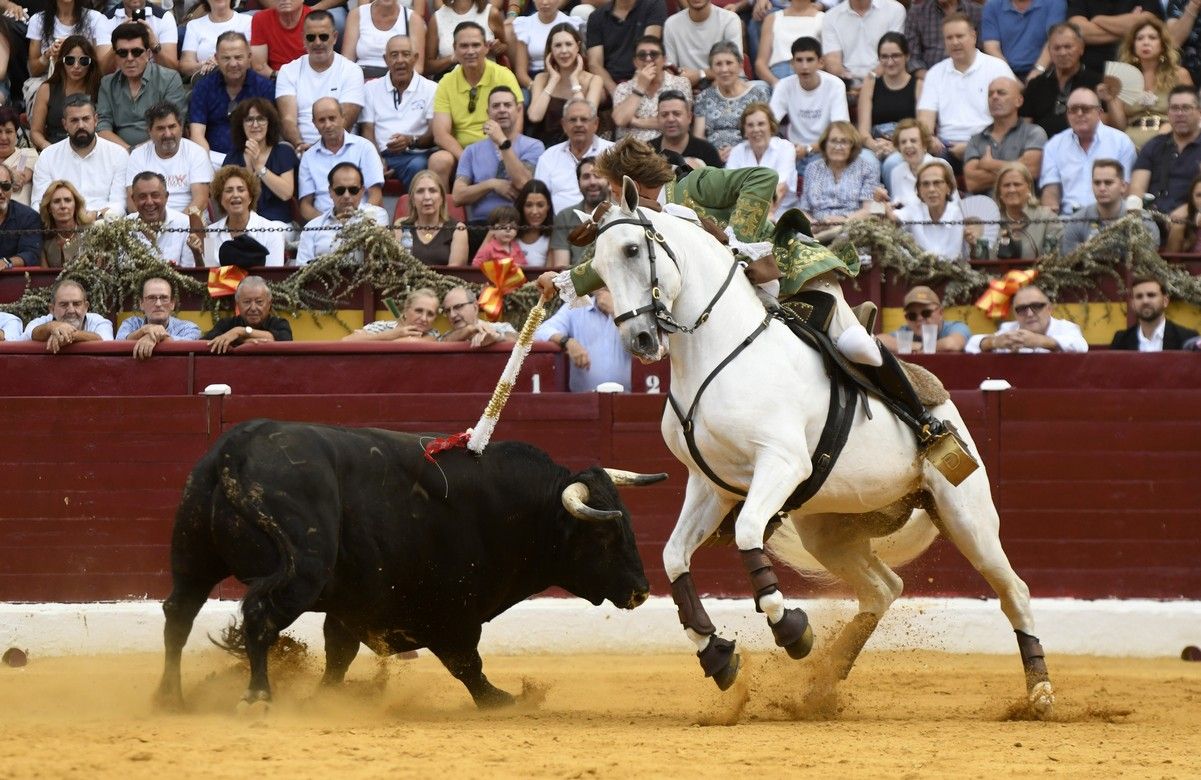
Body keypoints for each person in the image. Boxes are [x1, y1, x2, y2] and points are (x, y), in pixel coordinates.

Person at [428, 22, 523, 189]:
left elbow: (516, 125)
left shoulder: (504, 76)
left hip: (498, 147)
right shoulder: (446, 82)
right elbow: (441, 134)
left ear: (486, 47)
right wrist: (468, 157)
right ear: (455, 49)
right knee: (438, 160)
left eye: (476, 45)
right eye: (464, 46)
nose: (470, 51)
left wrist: (500, 151)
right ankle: (443, 213)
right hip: (461, 151)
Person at [917, 14, 1017, 166]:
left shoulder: (997, 67)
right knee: (924, 165)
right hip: (946, 146)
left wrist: (973, 146)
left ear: (973, 36)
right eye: (949, 38)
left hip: (989, 143)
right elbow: (925, 120)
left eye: (959, 36)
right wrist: (929, 138)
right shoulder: (935, 73)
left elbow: (1011, 115)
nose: (955, 42)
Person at [452, 85, 544, 224]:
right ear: (488, 112)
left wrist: (502, 142)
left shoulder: (533, 146)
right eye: (496, 106)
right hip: (481, 225)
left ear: (518, 110)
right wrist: (491, 184)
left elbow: (523, 183)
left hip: (519, 224)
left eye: (507, 105)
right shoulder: (471, 151)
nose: (502, 110)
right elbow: (458, 196)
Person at [276, 11, 366, 150]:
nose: (317, 42)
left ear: (335, 37)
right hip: (300, 148)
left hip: (342, 148)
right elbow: (288, 120)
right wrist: (299, 144)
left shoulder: (352, 70)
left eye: (323, 37)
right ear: (304, 39)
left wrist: (319, 150)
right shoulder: (288, 71)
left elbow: (345, 121)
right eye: (311, 37)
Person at [1040, 87, 1137, 214]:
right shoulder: (1054, 144)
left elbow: (1127, 189)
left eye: (1085, 109)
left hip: (1110, 219)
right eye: (1073, 110)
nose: (1079, 114)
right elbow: (1050, 190)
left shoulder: (1121, 142)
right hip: (1068, 220)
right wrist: (1052, 221)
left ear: (1099, 112)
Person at [32, 95, 128, 221]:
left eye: (86, 119)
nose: (81, 125)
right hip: (61, 226)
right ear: (64, 124)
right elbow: (39, 204)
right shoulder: (48, 156)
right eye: (74, 120)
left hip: (104, 226)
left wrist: (96, 215)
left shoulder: (118, 154)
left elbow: (119, 204)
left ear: (95, 120)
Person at [360, 34, 437, 189]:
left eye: (406, 54)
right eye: (394, 55)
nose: (400, 60)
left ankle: (414, 211)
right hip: (382, 154)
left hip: (416, 154)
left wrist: (411, 140)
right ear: (385, 59)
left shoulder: (431, 88)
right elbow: (367, 131)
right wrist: (375, 160)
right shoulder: (370, 88)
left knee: (418, 165)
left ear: (415, 58)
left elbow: (433, 133)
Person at [187, 32, 275, 165]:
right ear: (216, 58)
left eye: (238, 57)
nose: (233, 64)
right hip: (212, 159)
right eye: (226, 58)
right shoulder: (204, 87)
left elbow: (270, 132)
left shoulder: (264, 87)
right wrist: (205, 165)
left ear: (249, 56)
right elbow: (197, 134)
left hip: (255, 158)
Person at [97, 22, 187, 151]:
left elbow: (175, 125)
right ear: (115, 56)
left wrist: (140, 153)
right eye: (122, 53)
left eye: (136, 52)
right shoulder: (107, 83)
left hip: (161, 150)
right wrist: (128, 150)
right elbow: (102, 126)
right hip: (119, 152)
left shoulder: (169, 79)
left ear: (149, 53)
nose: (129, 58)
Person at [769, 37, 850, 174]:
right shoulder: (783, 86)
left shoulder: (835, 85)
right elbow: (768, 124)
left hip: (827, 150)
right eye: (799, 60)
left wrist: (809, 149)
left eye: (810, 60)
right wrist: (786, 149)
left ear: (821, 62)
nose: (804, 66)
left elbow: (841, 131)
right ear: (792, 64)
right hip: (793, 151)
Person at [297, 97, 385, 223]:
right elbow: (305, 206)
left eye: (332, 118)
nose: (327, 125)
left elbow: (376, 195)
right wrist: (330, 223)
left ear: (343, 117)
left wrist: (355, 222)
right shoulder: (308, 157)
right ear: (314, 123)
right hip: (325, 226)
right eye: (322, 120)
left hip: (362, 223)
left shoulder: (365, 148)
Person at [1020, 22, 1110, 138]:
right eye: (1057, 48)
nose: (1062, 53)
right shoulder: (1036, 84)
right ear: (1049, 51)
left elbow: (1108, 123)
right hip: (1042, 149)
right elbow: (1025, 127)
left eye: (1068, 47)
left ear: (1081, 48)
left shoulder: (1097, 82)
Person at [1115, 17, 1193, 150]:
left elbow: (1193, 112)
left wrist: (1172, 127)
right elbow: (1120, 126)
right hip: (1130, 144)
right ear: (1133, 46)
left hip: (1170, 139)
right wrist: (1110, 99)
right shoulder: (1123, 78)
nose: (1145, 42)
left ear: (1162, 45)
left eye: (1152, 38)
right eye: (1140, 38)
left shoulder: (1179, 74)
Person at [534, 287, 631, 392]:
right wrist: (568, 342)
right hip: (584, 401)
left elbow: (645, 344)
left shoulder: (634, 309)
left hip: (629, 400)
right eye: (599, 277)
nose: (603, 283)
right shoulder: (576, 308)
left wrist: (617, 312)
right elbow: (541, 331)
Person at [962, 77, 1047, 195]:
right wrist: (1016, 169)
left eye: (1001, 93)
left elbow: (1031, 171)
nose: (994, 97)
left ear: (1019, 101)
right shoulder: (976, 139)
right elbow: (972, 182)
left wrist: (990, 164)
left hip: (1022, 209)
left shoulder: (1034, 133)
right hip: (984, 209)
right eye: (990, 94)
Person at [191, 165, 288, 268]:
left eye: (241, 190)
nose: (235, 195)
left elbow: (274, 277)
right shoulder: (210, 233)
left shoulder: (272, 231)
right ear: (220, 199)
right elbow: (208, 274)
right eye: (229, 191)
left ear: (250, 197)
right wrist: (197, 255)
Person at [125, 102, 213, 215]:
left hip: (189, 223)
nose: (167, 134)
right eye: (161, 128)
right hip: (148, 224)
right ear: (149, 132)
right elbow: (133, 203)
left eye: (172, 127)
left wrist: (176, 225)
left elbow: (200, 201)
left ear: (181, 127)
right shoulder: (138, 156)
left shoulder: (196, 152)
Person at [525, 23, 604, 148]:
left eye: (568, 44)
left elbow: (585, 118)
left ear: (577, 47)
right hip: (546, 147)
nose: (564, 51)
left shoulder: (594, 80)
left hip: (580, 146)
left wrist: (574, 81)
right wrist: (553, 79)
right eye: (557, 45)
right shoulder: (541, 79)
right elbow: (535, 116)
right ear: (551, 50)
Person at [295, 162, 390, 265]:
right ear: (330, 192)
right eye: (340, 190)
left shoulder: (377, 215)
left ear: (362, 191)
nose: (346, 195)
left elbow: (377, 259)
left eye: (353, 190)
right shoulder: (312, 227)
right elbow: (302, 268)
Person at [223, 98, 299, 227]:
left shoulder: (283, 152)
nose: (255, 125)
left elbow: (286, 193)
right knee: (210, 237)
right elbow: (223, 197)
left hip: (277, 224)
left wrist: (259, 166)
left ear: (270, 123)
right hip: (242, 224)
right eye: (249, 120)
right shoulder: (233, 157)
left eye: (261, 119)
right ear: (241, 125)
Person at [533, 97, 615, 214]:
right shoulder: (548, 157)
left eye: (584, 119)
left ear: (596, 123)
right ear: (563, 124)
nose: (578, 124)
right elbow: (539, 198)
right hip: (561, 227)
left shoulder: (613, 153)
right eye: (573, 120)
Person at [1059, 158, 1160, 252]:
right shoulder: (1077, 221)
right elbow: (1069, 258)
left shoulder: (1142, 220)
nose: (1102, 188)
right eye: (1097, 183)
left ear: (1123, 186)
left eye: (1108, 183)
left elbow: (1149, 257)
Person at [695, 40, 771, 163]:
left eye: (729, 63)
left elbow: (766, 132)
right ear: (712, 69)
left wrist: (737, 153)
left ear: (740, 65)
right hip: (713, 161)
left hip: (750, 158)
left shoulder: (758, 95)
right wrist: (713, 155)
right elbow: (699, 136)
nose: (724, 69)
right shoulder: (704, 97)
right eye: (718, 64)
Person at [1129, 85, 1201, 213]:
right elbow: (1137, 187)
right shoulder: (1153, 145)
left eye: (1186, 108)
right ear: (1168, 113)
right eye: (1174, 108)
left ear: (1199, 112)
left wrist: (1188, 210)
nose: (1179, 114)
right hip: (1152, 218)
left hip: (1192, 219)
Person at [798, 121, 880, 231]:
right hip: (817, 228)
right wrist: (814, 225)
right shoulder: (812, 168)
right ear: (825, 143)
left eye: (844, 142)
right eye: (833, 141)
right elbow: (804, 209)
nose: (838, 146)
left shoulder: (865, 168)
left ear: (853, 145)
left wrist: (843, 221)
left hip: (852, 228)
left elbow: (868, 210)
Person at [857, 32, 922, 165]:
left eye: (895, 56)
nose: (890, 62)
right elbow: (863, 131)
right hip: (875, 146)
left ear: (907, 56)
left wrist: (897, 147)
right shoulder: (870, 84)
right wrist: (875, 146)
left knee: (895, 162)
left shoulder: (919, 86)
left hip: (907, 146)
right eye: (884, 57)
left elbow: (923, 129)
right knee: (864, 161)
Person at [612, 35, 692, 142]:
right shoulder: (623, 88)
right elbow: (620, 120)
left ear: (664, 60)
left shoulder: (680, 83)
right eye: (642, 55)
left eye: (654, 54)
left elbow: (679, 123)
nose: (648, 59)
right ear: (635, 62)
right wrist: (640, 87)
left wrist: (636, 121)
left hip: (667, 148)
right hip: (629, 151)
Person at [966, 283, 1088, 352]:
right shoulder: (1010, 330)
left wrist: (1040, 341)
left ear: (1049, 309)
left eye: (1036, 306)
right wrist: (994, 342)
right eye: (1021, 309)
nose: (1029, 313)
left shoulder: (1065, 327)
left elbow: (1081, 346)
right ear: (1015, 314)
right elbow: (971, 344)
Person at [29, 35, 100, 152]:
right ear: (62, 61)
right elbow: (36, 131)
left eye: (83, 61)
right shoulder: (47, 89)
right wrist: (49, 149)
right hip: (54, 148)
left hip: (92, 149)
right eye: (70, 60)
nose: (76, 66)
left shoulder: (100, 88)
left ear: (91, 63)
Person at [726, 101, 797, 219]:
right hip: (742, 214)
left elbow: (780, 189)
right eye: (750, 125)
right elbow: (730, 189)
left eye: (761, 124)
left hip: (781, 214)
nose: (756, 129)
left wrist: (760, 218)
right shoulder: (737, 151)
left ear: (771, 125)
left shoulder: (785, 148)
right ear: (744, 129)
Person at [585, 0, 667, 99]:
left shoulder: (654, 4)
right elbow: (595, 64)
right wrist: (616, 92)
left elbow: (648, 49)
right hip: (611, 81)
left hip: (645, 74)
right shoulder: (596, 17)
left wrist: (633, 86)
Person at [891, 159, 967, 260]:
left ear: (948, 187)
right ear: (919, 190)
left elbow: (953, 256)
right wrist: (882, 204)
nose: (931, 189)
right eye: (926, 184)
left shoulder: (958, 214)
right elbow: (893, 219)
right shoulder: (913, 210)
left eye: (937, 183)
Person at [821, 0, 906, 86]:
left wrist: (868, 83)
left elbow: (893, 55)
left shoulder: (894, 10)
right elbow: (833, 61)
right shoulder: (830, 16)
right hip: (847, 85)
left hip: (885, 83)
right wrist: (850, 84)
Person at [117, 276, 203, 360]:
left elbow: (187, 346)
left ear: (172, 304)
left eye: (164, 298)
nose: (158, 304)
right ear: (141, 304)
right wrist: (144, 330)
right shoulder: (131, 324)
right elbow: (118, 345)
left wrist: (152, 337)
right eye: (151, 298)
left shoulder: (189, 328)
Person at [25, 0, 111, 82]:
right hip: (47, 79)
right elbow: (33, 70)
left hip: (85, 81)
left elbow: (103, 68)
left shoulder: (96, 18)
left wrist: (75, 50)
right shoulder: (37, 20)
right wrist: (48, 54)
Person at [395, 169, 469, 265]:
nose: (427, 197)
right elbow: (397, 267)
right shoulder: (401, 226)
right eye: (420, 191)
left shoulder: (458, 229)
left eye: (432, 191)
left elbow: (455, 275)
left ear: (442, 198)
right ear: (412, 199)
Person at [989, 162, 1063, 258]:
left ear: (1029, 188)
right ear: (999, 192)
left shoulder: (1047, 218)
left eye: (1017, 184)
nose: (1012, 190)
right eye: (1006, 185)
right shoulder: (991, 221)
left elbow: (1056, 259)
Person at [663, 0, 743, 88]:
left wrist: (700, 74)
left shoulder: (729, 19)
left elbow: (734, 66)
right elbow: (670, 72)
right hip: (686, 87)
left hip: (725, 82)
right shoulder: (671, 24)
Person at [548, 155, 610, 267]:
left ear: (609, 181)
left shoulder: (624, 213)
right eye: (586, 177)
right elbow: (561, 267)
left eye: (598, 176)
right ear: (578, 183)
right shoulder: (565, 217)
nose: (592, 182)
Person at [1067, 0, 1161, 72]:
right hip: (1090, 70)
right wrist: (1129, 29)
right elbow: (1078, 31)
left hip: (1135, 69)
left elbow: (1149, 21)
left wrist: (1099, 20)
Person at [981, 0, 1064, 81]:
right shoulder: (992, 5)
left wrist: (1038, 71)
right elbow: (992, 48)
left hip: (1045, 71)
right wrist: (1010, 77)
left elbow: (1054, 39)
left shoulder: (1054, 2)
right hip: (1004, 73)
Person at [205, 275, 293, 352]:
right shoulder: (227, 324)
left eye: (259, 302)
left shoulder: (279, 323)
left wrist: (240, 331)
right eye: (247, 302)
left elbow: (285, 341)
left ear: (269, 303)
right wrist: (242, 341)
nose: (253, 308)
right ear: (237, 304)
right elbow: (208, 340)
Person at [511, 0, 580, 96]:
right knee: (524, 100)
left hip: (564, 78)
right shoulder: (524, 24)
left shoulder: (571, 24)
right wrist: (535, 88)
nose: (545, 2)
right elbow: (521, 73)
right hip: (534, 79)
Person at [23, 278, 114, 351]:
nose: (71, 310)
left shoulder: (100, 322)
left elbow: (106, 343)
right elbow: (30, 333)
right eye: (64, 304)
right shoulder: (42, 322)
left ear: (86, 307)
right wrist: (51, 326)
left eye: (76, 304)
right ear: (52, 309)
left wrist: (70, 336)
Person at [341, 0, 426, 78]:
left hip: (397, 80)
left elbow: (417, 67)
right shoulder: (356, 14)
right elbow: (347, 61)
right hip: (360, 79)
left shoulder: (414, 19)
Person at [877, 285, 972, 354]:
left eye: (926, 313)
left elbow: (953, 344)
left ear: (940, 313)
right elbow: (878, 340)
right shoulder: (906, 331)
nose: (919, 318)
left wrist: (919, 348)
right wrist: (920, 346)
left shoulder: (956, 327)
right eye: (912, 315)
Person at [1110, 277, 1199, 350]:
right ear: (1132, 304)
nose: (1145, 301)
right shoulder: (1121, 340)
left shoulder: (1187, 338)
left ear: (1165, 301)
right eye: (1139, 296)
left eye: (1151, 295)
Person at [426, 0, 506, 77]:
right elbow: (428, 67)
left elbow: (504, 46)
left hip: (486, 76)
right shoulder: (437, 18)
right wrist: (453, 59)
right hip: (449, 80)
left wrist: (497, 47)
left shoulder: (491, 12)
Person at [904, 0, 984, 77]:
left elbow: (982, 51)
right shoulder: (917, 13)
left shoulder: (976, 12)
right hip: (928, 77)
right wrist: (931, 78)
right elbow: (913, 58)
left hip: (970, 75)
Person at [127, 171, 190, 266]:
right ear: (133, 199)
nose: (149, 202)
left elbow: (190, 271)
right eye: (142, 197)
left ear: (166, 197)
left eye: (155, 195)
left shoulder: (185, 223)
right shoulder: (124, 226)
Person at [179, 0, 252, 81]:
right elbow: (185, 65)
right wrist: (204, 66)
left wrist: (222, 62)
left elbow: (252, 60)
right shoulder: (194, 25)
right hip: (206, 83)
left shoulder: (248, 21)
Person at [754, 0, 824, 85]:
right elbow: (760, 63)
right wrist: (776, 83)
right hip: (778, 75)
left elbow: (824, 61)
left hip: (810, 75)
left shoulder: (823, 19)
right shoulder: (772, 18)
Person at [650, 91, 722, 170]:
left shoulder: (707, 152)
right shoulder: (648, 151)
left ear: (689, 117)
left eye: (677, 113)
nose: (670, 119)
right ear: (657, 118)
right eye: (664, 115)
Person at [343, 286, 439, 340]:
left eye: (430, 314)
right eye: (419, 311)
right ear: (405, 310)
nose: (423, 318)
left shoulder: (433, 334)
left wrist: (369, 339)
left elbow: (412, 343)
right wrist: (391, 335)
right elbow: (345, 342)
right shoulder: (381, 326)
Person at [109, 0, 179, 72]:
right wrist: (117, 38)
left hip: (156, 78)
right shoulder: (106, 19)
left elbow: (172, 69)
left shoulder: (164, 17)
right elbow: (105, 71)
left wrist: (154, 44)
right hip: (119, 78)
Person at [249, 0, 311, 78]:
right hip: (274, 78)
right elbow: (259, 66)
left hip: (309, 79)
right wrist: (281, 77)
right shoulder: (261, 19)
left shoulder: (315, 20)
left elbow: (322, 62)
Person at [439, 285, 517, 347]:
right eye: (448, 311)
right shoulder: (448, 337)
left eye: (458, 306)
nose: (452, 315)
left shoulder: (500, 328)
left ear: (475, 307)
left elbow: (523, 341)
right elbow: (442, 344)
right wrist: (471, 329)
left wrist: (498, 337)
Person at [887, 118, 940, 206]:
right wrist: (882, 204)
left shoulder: (941, 168)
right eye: (903, 142)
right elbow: (897, 207)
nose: (908, 145)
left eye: (913, 141)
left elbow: (952, 208)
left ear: (924, 145)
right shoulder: (896, 172)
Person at [37, 179, 88, 268]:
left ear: (76, 205)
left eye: (68, 200)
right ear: (49, 208)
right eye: (56, 201)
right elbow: (45, 278)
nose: (63, 206)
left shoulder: (91, 233)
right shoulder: (44, 240)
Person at [0, 164, 42, 270]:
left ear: (11, 188)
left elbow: (31, 254)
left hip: (12, 280)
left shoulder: (28, 217)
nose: (0, 192)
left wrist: (6, 262)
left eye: (5, 186)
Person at [0, 108, 37, 207]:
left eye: (9, 132)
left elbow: (19, 177)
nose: (3, 137)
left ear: (16, 133)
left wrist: (16, 177)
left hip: (22, 218)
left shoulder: (26, 154)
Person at [515, 180, 554, 266]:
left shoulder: (554, 236)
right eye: (529, 205)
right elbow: (479, 261)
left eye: (540, 205)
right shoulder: (508, 231)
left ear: (548, 206)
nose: (534, 211)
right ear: (522, 207)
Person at [1164, 172, 1201, 252]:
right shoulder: (1183, 227)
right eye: (1199, 195)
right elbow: (1171, 261)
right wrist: (1177, 229)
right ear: (1192, 199)